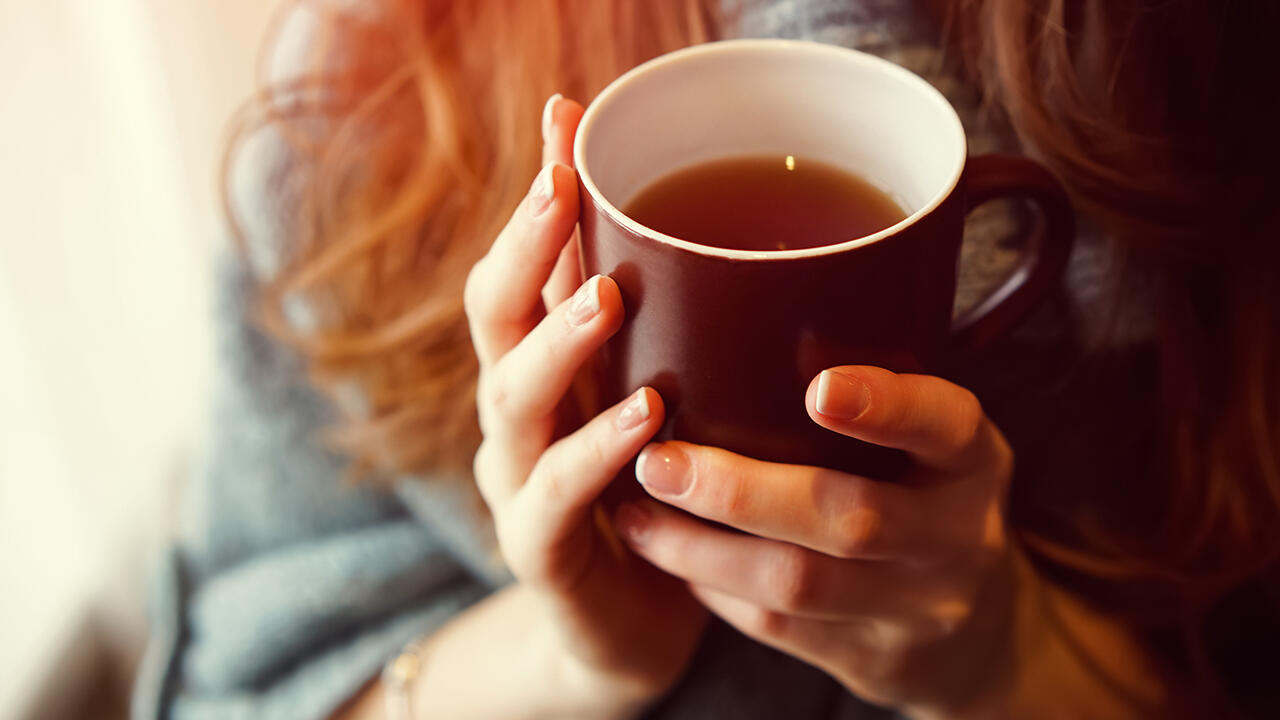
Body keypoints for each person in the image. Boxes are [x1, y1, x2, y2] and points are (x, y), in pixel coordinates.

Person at [133, 1, 1280, 718]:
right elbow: (236, 687)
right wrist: (572, 660)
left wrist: (1009, 666)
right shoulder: (373, 86)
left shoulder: (1219, 87)